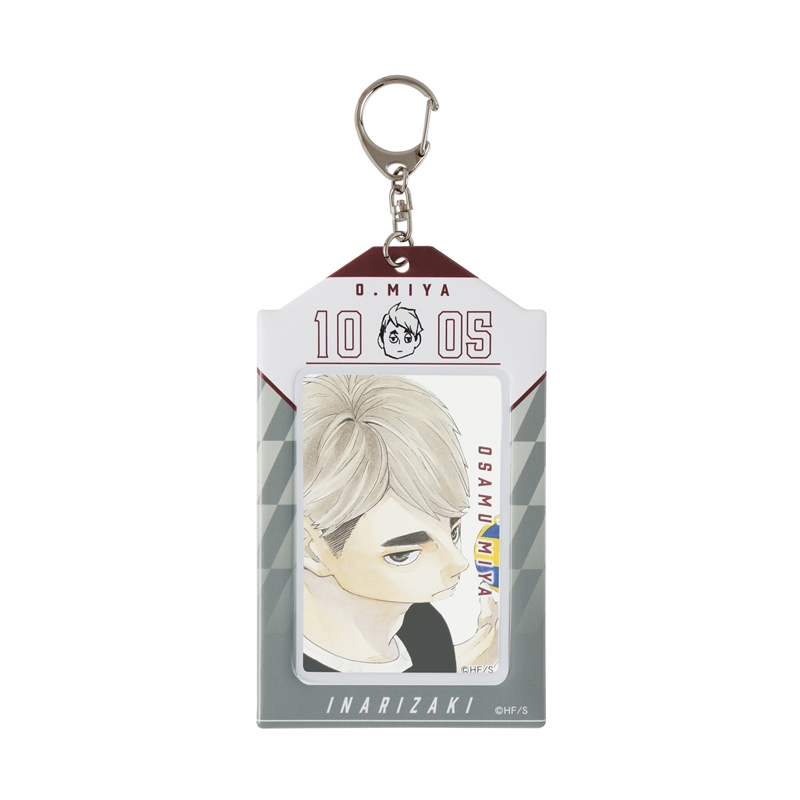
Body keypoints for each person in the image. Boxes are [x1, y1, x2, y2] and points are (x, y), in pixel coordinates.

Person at [301, 374, 497, 673]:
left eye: (454, 531)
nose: (459, 562)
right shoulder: (288, 667)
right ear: (311, 549)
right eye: (404, 554)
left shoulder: (423, 624)